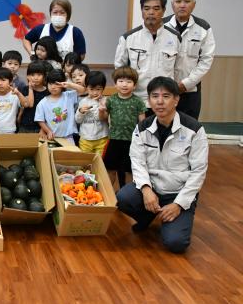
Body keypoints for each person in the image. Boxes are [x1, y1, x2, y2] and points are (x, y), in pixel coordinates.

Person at [117, 77, 208, 254]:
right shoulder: (142, 128)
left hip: (178, 193)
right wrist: (146, 190)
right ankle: (148, 215)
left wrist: (179, 204)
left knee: (176, 243)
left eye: (166, 96)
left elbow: (199, 172)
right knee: (123, 198)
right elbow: (137, 162)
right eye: (155, 96)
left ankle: (170, 214)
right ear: (149, 100)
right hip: (152, 189)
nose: (160, 101)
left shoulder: (194, 130)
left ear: (176, 100)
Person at [114, 0, 181, 109]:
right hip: (135, 101)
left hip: (163, 101)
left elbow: (178, 70)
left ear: (164, 11)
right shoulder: (128, 38)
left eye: (156, 8)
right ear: (141, 11)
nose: (151, 12)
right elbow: (120, 69)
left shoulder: (175, 38)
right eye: (146, 8)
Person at [163, 0, 215, 119]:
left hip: (190, 91)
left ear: (194, 5)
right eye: (178, 1)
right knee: (163, 127)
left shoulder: (203, 28)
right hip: (164, 90)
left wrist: (186, 84)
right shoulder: (161, 26)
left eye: (187, 1)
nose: (182, 5)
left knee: (189, 127)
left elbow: (206, 60)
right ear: (172, 5)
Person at [99, 66, 146, 188]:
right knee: (110, 168)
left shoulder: (138, 101)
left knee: (129, 170)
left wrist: (142, 139)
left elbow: (142, 122)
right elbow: (103, 118)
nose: (124, 84)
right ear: (115, 84)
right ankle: (108, 193)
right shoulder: (111, 100)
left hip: (132, 141)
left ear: (134, 85)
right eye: (121, 81)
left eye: (129, 81)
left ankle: (127, 194)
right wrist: (101, 111)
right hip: (114, 139)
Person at [34, 69, 85, 143]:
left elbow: (83, 90)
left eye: (56, 84)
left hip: (68, 137)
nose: (53, 87)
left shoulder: (68, 96)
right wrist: (48, 131)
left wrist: (69, 85)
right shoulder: (43, 103)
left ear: (62, 84)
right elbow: (40, 120)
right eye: (50, 84)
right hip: (52, 138)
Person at [0, 67, 30, 135]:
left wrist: (18, 93)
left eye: (3, 80)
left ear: (10, 81)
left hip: (9, 130)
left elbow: (25, 104)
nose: (0, 83)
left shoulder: (15, 95)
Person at [75, 71, 109, 154]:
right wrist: (80, 112)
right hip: (85, 139)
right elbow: (78, 120)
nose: (95, 92)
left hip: (102, 138)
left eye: (98, 89)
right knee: (85, 160)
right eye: (91, 89)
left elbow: (102, 118)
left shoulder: (105, 101)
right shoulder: (83, 101)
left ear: (103, 88)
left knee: (99, 160)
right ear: (86, 87)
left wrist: (100, 107)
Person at [17, 62, 49, 133]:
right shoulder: (25, 89)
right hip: (25, 125)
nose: (36, 78)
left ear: (44, 76)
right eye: (32, 75)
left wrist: (44, 129)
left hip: (40, 127)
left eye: (39, 75)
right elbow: (28, 104)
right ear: (27, 76)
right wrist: (30, 88)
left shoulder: (47, 92)